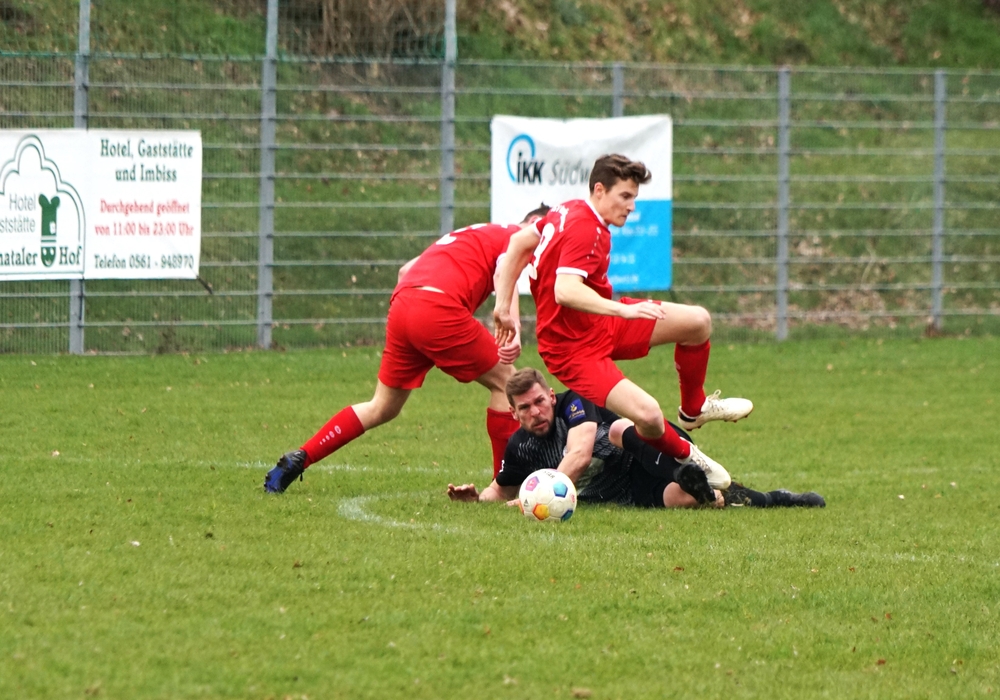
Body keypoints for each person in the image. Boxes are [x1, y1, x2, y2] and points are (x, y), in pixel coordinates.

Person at [492, 154, 752, 490]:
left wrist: (501, 305)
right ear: (599, 190)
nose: (631, 206)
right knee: (649, 416)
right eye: (625, 197)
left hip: (600, 325)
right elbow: (565, 291)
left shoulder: (568, 209)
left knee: (697, 322)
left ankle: (694, 408)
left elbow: (516, 243)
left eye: (634, 198)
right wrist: (623, 311)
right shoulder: (586, 228)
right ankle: (688, 454)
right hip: (572, 350)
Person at [264, 205, 551, 493]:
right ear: (535, 223)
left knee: (382, 407)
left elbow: (405, 271)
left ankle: (301, 457)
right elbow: (505, 274)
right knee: (506, 383)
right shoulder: (516, 236)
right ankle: (505, 488)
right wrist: (511, 325)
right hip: (437, 308)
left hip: (403, 305)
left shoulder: (475, 233)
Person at [447, 368, 825, 510]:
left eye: (540, 401)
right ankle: (759, 498)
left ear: (550, 395)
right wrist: (475, 499)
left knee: (617, 430)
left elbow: (578, 455)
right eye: (525, 408)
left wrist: (539, 496)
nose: (536, 411)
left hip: (645, 447)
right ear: (513, 413)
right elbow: (501, 489)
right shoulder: (521, 447)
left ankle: (690, 470)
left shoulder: (574, 403)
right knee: (690, 498)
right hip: (626, 490)